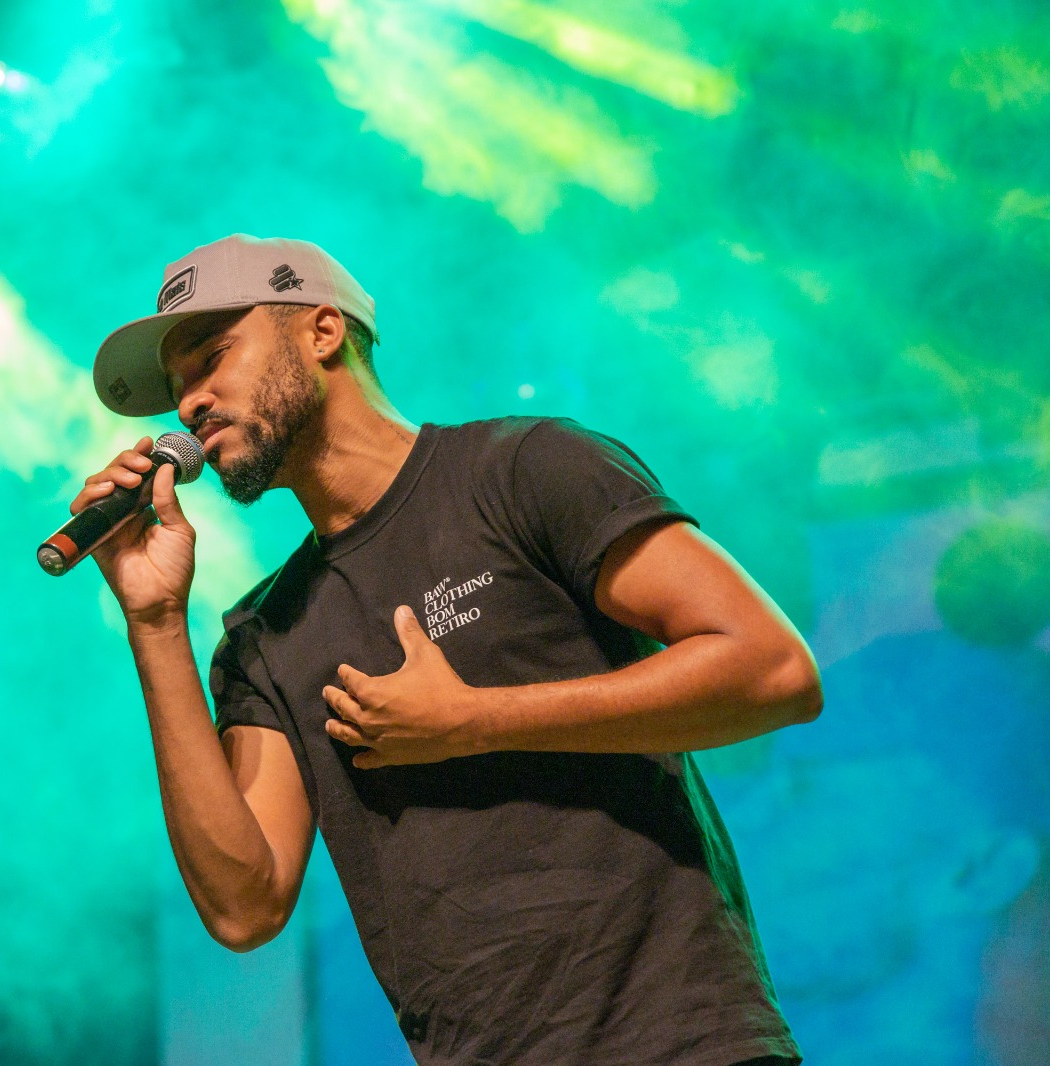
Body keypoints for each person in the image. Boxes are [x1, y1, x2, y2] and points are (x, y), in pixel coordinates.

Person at [74, 234, 823, 1065]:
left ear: (323, 332)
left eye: (213, 358)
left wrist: (474, 720)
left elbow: (772, 668)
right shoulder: (263, 634)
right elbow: (244, 907)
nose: (189, 406)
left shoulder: (523, 469)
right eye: (179, 390)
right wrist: (154, 623)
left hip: (681, 1044)